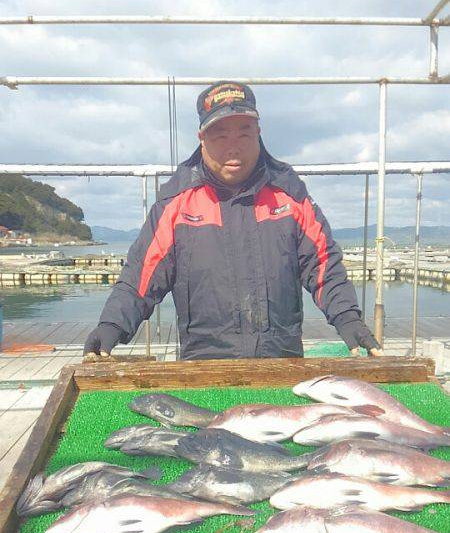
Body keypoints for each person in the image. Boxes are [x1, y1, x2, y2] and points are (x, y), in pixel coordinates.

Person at [84, 81, 382, 361]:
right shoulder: (175, 203)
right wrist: (111, 326)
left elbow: (324, 266)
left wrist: (348, 318)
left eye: (243, 133)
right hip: (203, 363)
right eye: (220, 136)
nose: (233, 146)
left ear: (258, 133)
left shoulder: (290, 195)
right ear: (202, 139)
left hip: (281, 359)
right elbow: (141, 276)